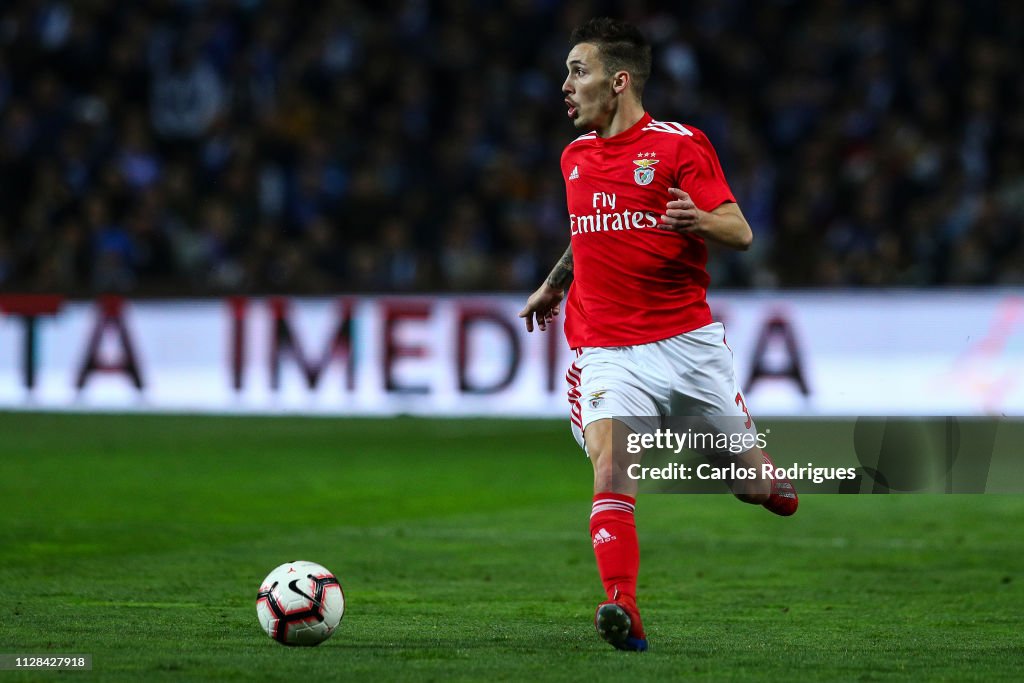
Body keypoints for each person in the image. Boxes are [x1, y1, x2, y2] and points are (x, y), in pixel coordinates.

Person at [519, 17, 798, 653]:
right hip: (608, 347)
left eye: (578, 71)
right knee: (612, 465)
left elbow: (740, 231)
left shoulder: (679, 146)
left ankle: (763, 478)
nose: (565, 84)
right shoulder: (574, 157)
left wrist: (698, 219)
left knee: (753, 485)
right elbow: (590, 228)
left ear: (619, 82)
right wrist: (555, 283)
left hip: (689, 344)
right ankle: (623, 606)